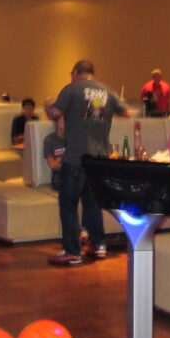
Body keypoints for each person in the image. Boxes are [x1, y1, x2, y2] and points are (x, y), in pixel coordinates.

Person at [48, 60, 129, 266]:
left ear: (75, 72)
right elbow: (125, 112)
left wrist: (50, 105)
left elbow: (54, 114)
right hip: (99, 158)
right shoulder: (107, 91)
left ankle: (72, 251)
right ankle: (98, 244)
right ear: (92, 73)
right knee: (92, 203)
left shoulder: (72, 89)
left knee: (68, 203)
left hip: (76, 157)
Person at [42, 111, 66, 191]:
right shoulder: (49, 140)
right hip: (59, 176)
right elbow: (52, 165)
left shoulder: (74, 138)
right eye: (62, 121)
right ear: (56, 123)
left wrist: (60, 160)